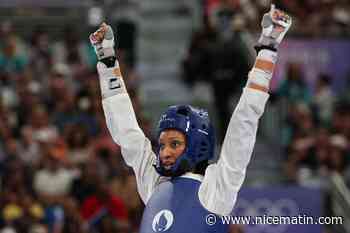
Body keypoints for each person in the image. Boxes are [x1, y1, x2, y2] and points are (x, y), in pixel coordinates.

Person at [89, 4, 291, 233]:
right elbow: (127, 133)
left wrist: (269, 47)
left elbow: (244, 121)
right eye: (162, 144)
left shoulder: (216, 189)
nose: (163, 152)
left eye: (174, 144)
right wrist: (107, 63)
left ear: (197, 144)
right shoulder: (154, 184)